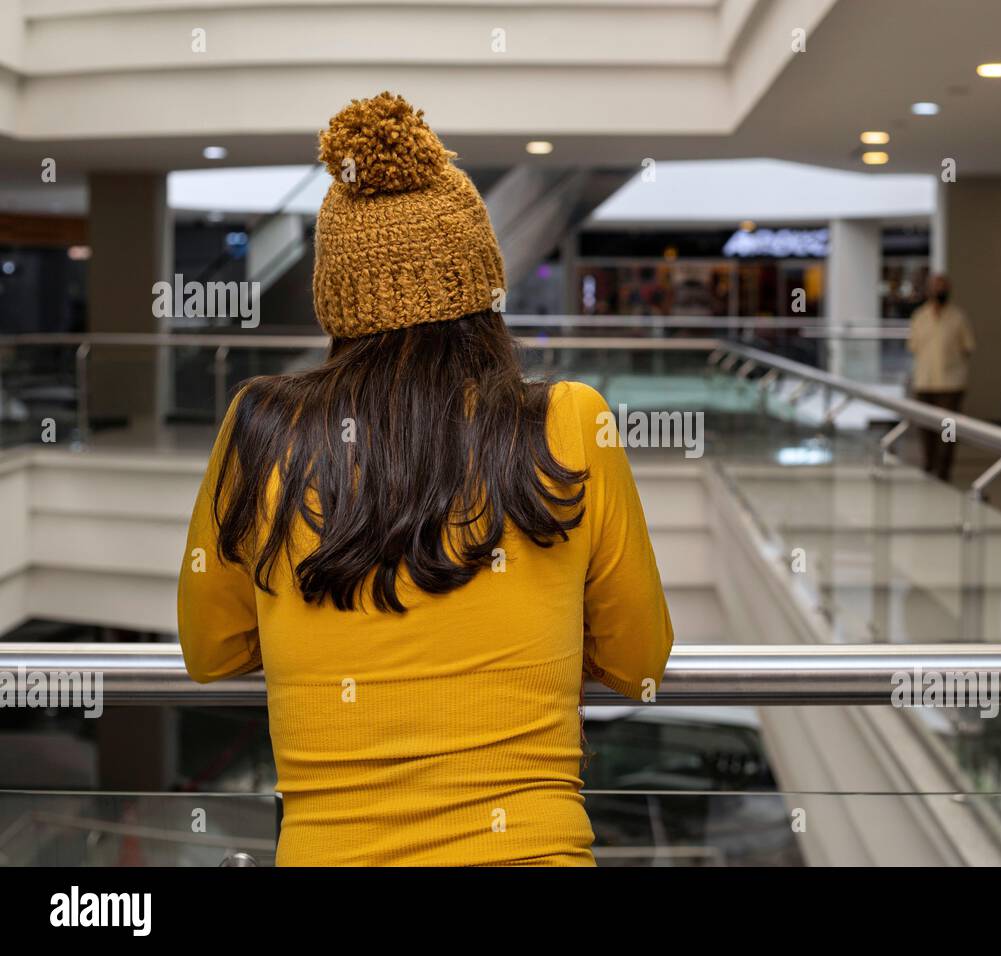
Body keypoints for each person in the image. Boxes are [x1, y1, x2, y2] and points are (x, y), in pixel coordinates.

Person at [177, 92, 674, 866]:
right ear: (484, 289)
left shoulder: (260, 428)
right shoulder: (573, 421)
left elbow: (211, 651)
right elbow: (638, 659)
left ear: (334, 299)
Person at [906, 274, 975, 482]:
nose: (939, 291)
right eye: (936, 287)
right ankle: (929, 465)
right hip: (925, 382)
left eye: (943, 286)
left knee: (948, 430)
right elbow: (913, 346)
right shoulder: (920, 317)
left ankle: (944, 470)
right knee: (926, 430)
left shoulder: (958, 317)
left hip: (950, 384)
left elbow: (968, 347)